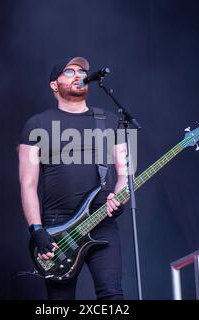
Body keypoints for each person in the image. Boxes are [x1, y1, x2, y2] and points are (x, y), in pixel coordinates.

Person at [18, 56, 128, 300]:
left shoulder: (109, 120)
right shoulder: (37, 124)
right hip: (57, 228)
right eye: (70, 71)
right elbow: (27, 184)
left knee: (112, 296)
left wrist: (120, 198)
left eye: (82, 71)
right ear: (54, 85)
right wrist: (36, 229)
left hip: (101, 221)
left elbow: (124, 174)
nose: (79, 75)